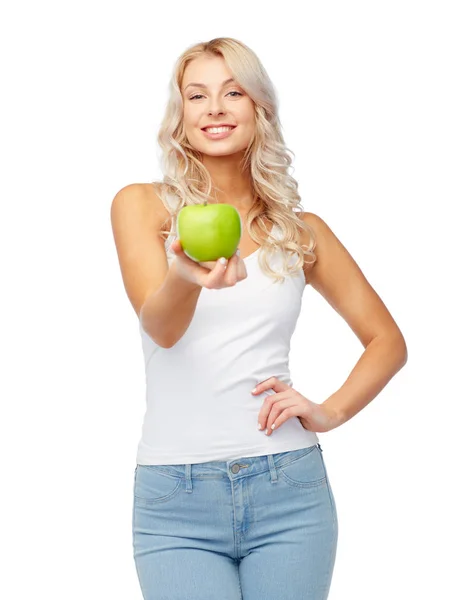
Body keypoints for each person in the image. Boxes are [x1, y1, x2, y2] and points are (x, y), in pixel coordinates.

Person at [110, 37, 407, 600]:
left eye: (233, 92)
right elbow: (163, 328)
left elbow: (387, 340)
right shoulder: (143, 206)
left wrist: (328, 411)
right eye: (196, 95)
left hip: (288, 486)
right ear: (181, 116)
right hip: (176, 495)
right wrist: (184, 275)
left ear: (259, 109)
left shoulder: (301, 231)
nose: (214, 108)